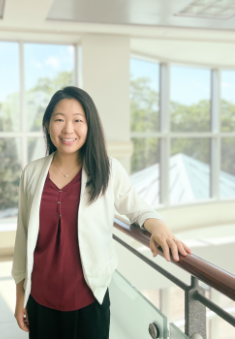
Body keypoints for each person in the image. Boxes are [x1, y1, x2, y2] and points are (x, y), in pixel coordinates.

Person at [11, 86, 191, 339]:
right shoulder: (32, 173)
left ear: (89, 125)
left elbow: (138, 209)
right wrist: (21, 296)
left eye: (77, 121)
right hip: (41, 300)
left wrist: (159, 228)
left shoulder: (107, 170)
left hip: (89, 300)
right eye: (59, 120)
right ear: (48, 125)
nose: (68, 129)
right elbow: (23, 237)